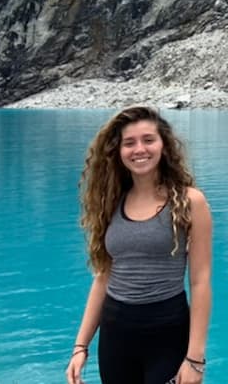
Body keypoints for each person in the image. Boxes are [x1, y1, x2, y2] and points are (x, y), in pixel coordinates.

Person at [66, 106, 213, 384]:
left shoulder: (191, 202)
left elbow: (200, 282)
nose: (139, 149)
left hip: (167, 331)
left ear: (164, 145)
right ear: (118, 151)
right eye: (129, 142)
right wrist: (80, 345)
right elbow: (103, 277)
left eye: (148, 140)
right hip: (115, 334)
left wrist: (195, 358)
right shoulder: (110, 202)